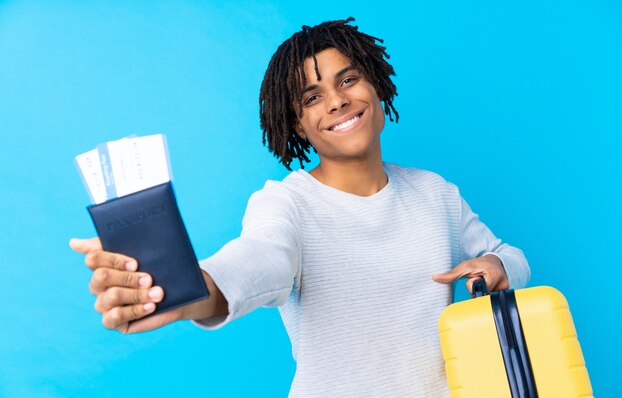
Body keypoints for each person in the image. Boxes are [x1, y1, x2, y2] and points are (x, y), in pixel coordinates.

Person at [70, 17, 530, 397]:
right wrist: (192, 290)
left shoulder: (435, 193)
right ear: (298, 125)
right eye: (313, 97)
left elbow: (511, 257)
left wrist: (495, 263)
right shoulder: (286, 203)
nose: (337, 101)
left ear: (375, 84)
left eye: (348, 79)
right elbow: (260, 259)